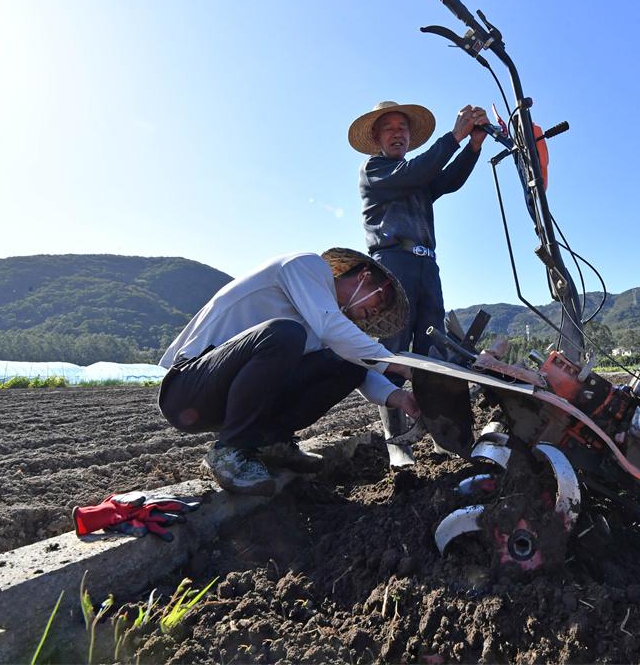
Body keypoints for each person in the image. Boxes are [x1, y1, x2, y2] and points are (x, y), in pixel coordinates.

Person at [157, 248, 420, 496]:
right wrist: (402, 365)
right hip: (189, 387)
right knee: (284, 333)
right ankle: (229, 451)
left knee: (348, 364)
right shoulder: (306, 266)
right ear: (364, 276)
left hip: (229, 394)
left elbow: (359, 364)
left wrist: (400, 397)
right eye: (381, 299)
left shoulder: (324, 317)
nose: (377, 310)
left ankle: (271, 442)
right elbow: (332, 328)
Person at [349, 100, 488, 466]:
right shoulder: (376, 170)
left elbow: (447, 179)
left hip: (427, 265)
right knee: (391, 353)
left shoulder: (418, 177)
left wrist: (472, 147)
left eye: (403, 128)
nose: (398, 133)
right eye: (390, 128)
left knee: (433, 354)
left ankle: (443, 437)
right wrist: (454, 137)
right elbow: (419, 171)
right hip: (392, 265)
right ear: (377, 137)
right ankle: (398, 445)